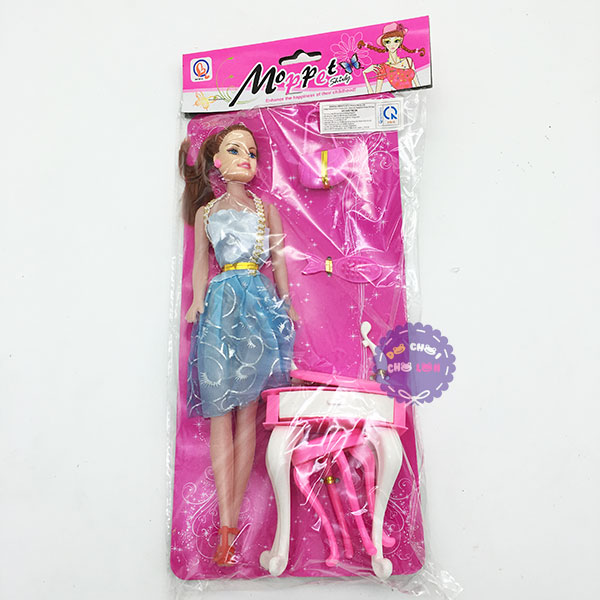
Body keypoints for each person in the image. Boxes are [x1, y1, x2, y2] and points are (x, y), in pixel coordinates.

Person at [179, 123, 297, 566]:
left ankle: (228, 527)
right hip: (218, 308)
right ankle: (227, 521)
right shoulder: (206, 213)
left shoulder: (267, 210)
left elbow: (279, 262)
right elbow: (200, 263)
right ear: (216, 161)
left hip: (257, 307)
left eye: (251, 151)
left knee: (247, 414)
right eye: (235, 150)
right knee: (218, 415)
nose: (246, 158)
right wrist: (195, 302)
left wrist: (287, 304)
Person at [359, 22, 425, 93]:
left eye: (396, 41)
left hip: (413, 96)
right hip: (397, 98)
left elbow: (418, 86)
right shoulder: (383, 67)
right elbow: (376, 94)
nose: (392, 45)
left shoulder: (408, 61)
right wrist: (364, 74)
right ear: (384, 44)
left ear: (400, 41)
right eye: (388, 42)